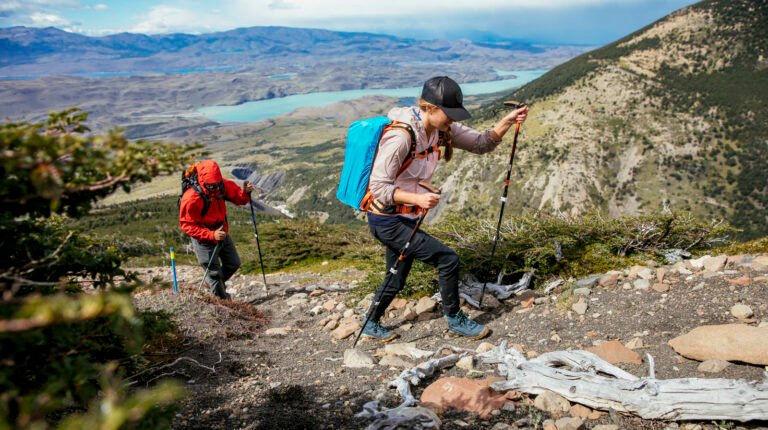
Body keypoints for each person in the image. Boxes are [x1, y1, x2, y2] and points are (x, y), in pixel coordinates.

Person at [362, 76, 529, 341]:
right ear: (428, 108)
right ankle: (454, 319)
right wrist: (417, 199)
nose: (452, 119)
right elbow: (378, 187)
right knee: (447, 259)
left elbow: (481, 144)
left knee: (397, 276)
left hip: (406, 218)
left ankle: (371, 323)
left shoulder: (441, 129)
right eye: (448, 114)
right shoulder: (400, 137)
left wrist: (507, 122)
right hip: (387, 220)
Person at [179, 160, 253, 299]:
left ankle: (214, 285)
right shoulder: (191, 198)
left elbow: (239, 199)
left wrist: (245, 193)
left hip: (221, 230)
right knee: (213, 272)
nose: (215, 189)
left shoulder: (221, 185)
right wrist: (211, 235)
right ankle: (223, 302)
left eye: (217, 185)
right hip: (203, 237)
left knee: (233, 263)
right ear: (202, 181)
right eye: (210, 186)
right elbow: (186, 225)